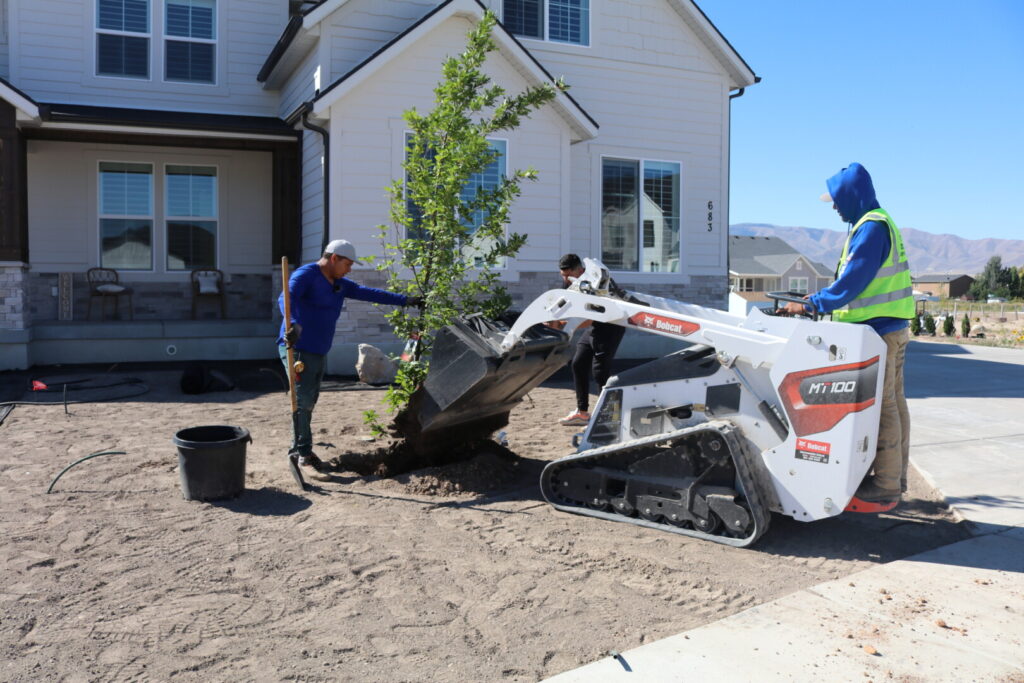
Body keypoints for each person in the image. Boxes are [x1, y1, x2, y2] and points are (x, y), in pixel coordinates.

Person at [783, 163, 914, 504]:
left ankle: (885, 485)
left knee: (884, 407)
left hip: (878, 333)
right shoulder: (875, 222)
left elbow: (852, 283)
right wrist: (815, 299)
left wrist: (813, 305)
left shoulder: (871, 228)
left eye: (837, 199)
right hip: (892, 328)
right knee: (894, 404)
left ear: (852, 196)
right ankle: (894, 478)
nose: (834, 206)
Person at [279, 239, 422, 473]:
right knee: (302, 400)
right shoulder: (306, 275)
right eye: (348, 264)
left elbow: (369, 293)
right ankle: (303, 456)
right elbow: (286, 299)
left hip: (318, 350)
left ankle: (300, 447)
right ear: (334, 258)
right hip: (298, 348)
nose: (350, 269)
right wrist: (292, 323)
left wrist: (405, 300)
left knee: (309, 400)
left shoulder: (339, 283)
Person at [555, 253, 626, 426]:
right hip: (595, 326)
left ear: (579, 269)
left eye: (568, 275)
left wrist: (563, 326)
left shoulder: (595, 281)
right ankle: (582, 412)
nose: (565, 278)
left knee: (600, 372)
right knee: (578, 363)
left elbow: (590, 317)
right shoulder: (572, 282)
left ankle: (610, 415)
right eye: (562, 275)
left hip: (611, 325)